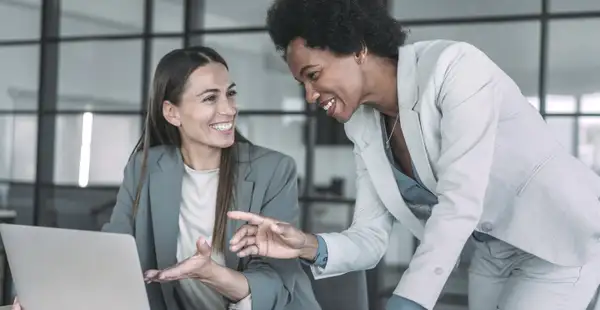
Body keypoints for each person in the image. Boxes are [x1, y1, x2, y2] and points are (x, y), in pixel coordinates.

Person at [223, 0, 600, 310]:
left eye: (314, 74)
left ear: (357, 49)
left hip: (559, 238)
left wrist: (409, 301)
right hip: (490, 255)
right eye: (300, 83)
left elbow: (459, 201)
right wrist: (305, 244)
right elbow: (370, 236)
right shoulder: (362, 125)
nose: (309, 95)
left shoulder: (454, 68)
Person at [12, 46, 321, 310]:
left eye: (230, 93)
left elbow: (277, 284)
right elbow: (113, 252)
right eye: (210, 98)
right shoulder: (146, 167)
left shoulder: (274, 170)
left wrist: (212, 274)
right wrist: (47, 294)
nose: (229, 109)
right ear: (172, 113)